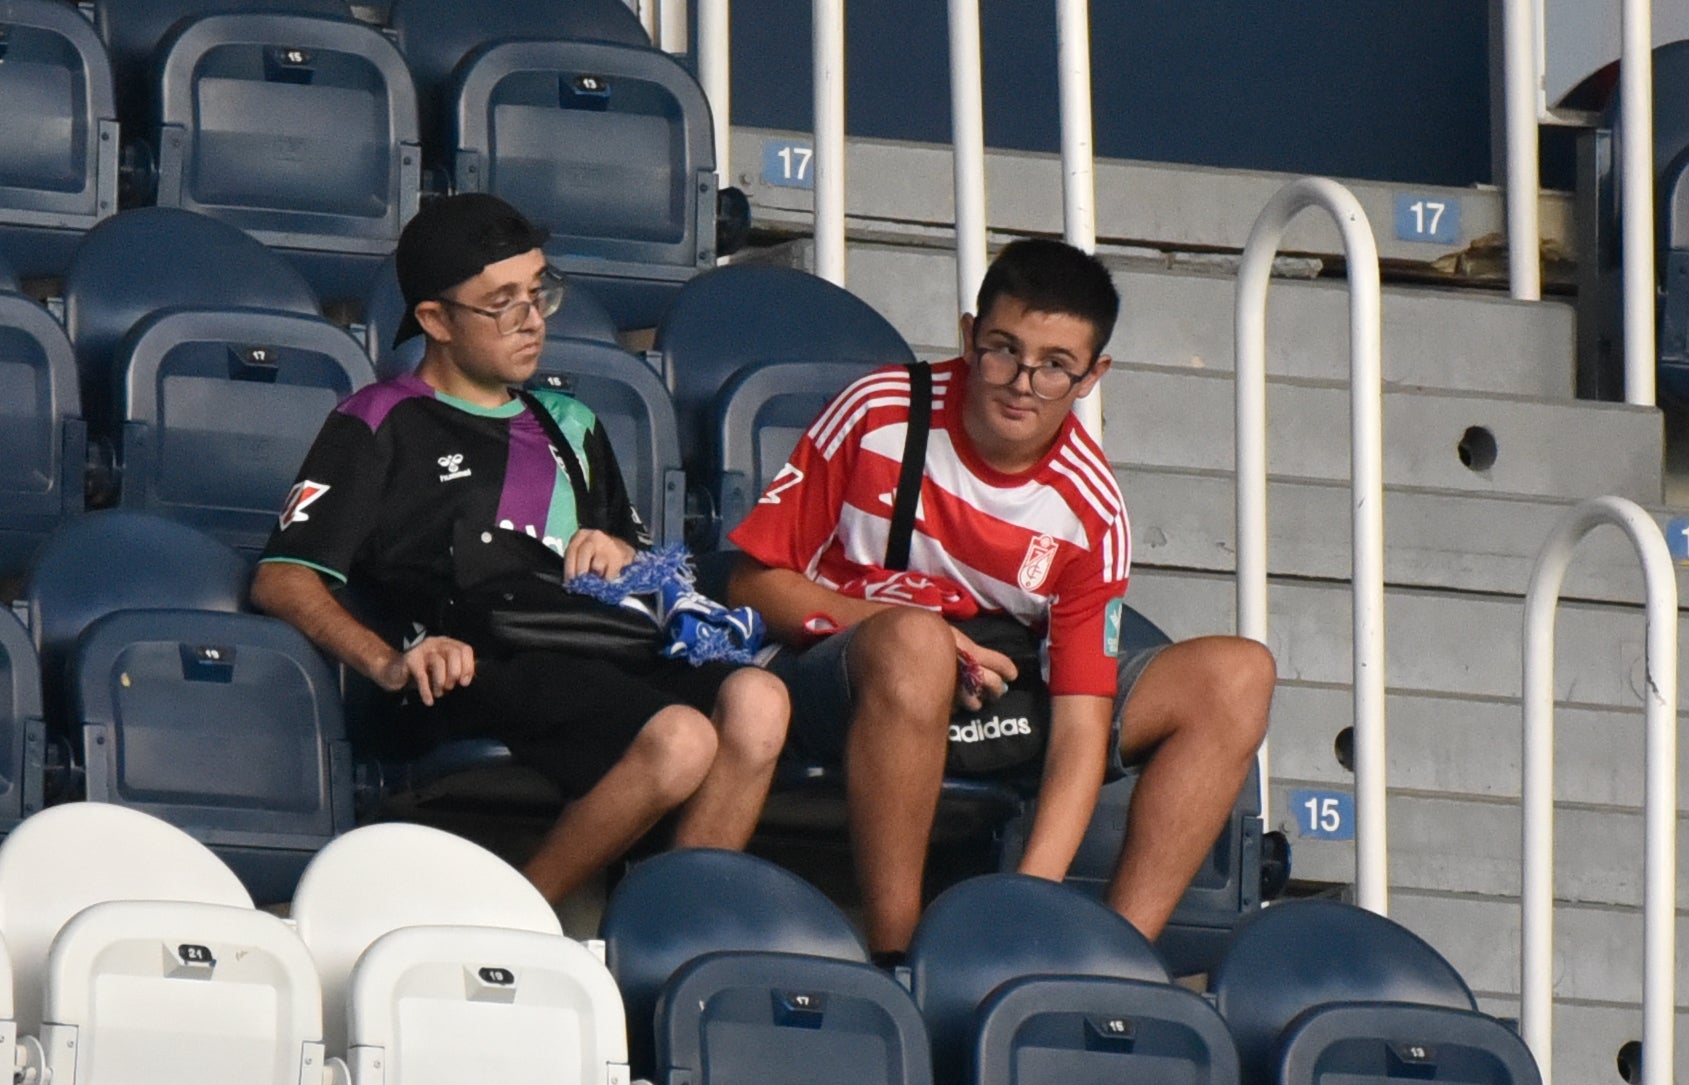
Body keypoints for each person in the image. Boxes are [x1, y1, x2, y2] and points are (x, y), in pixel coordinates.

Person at [728, 238, 1275, 957]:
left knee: (1238, 675)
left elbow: (1081, 724)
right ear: (966, 335)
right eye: (1002, 350)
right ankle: (900, 955)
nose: (1022, 382)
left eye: (1055, 367)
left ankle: (1109, 961)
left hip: (999, 703)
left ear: (1091, 377)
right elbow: (749, 581)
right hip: (847, 680)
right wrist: (908, 630)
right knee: (915, 644)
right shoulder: (879, 412)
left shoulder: (1090, 504)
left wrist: (1030, 898)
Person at [253, 193, 788, 904]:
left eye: (539, 294)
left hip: (593, 650)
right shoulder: (378, 420)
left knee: (759, 699)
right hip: (474, 661)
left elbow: (647, 578)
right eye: (501, 303)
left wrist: (619, 557)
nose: (532, 321)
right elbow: (283, 578)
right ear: (435, 320)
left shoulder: (570, 421)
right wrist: (386, 661)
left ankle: (671, 923)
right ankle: (521, 919)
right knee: (682, 739)